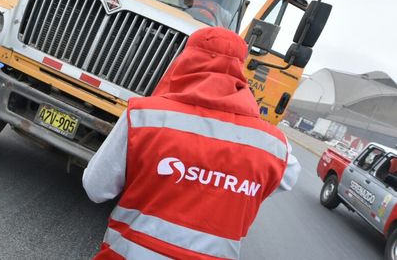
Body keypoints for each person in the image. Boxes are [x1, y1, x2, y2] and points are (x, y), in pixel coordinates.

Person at [82, 27, 300, 259]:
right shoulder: (274, 146)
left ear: (186, 59)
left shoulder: (143, 116)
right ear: (240, 69)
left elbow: (96, 189)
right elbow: (288, 177)